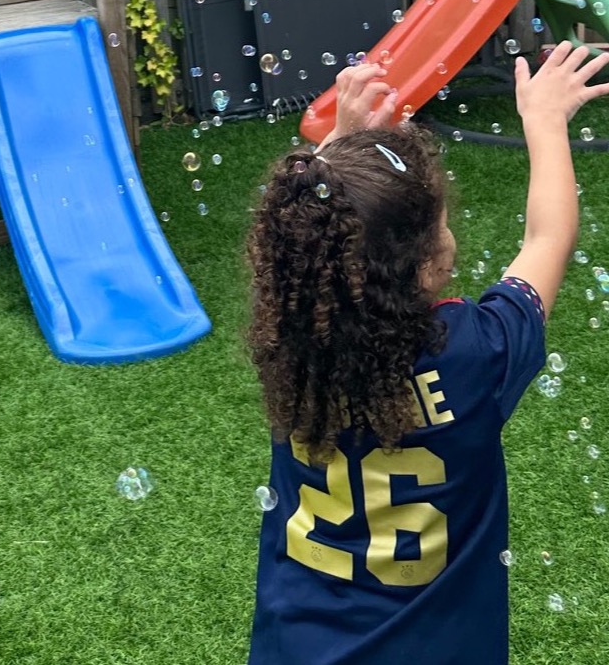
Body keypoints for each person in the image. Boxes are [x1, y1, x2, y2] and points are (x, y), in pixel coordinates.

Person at [245, 42, 609, 665]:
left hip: (297, 648)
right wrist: (545, 121)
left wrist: (338, 145)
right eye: (442, 223)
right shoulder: (476, 352)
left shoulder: (291, 340)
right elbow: (547, 237)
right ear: (423, 268)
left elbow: (303, 241)